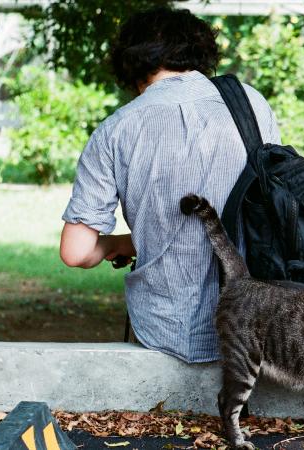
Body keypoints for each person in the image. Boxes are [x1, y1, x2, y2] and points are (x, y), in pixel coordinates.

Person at [59, 7, 280, 363]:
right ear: (200, 51)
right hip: (253, 332)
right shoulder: (251, 105)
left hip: (160, 330)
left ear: (131, 63)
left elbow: (76, 252)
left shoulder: (117, 129)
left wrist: (123, 243)